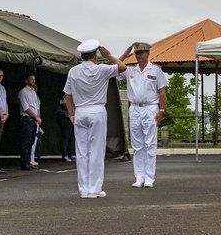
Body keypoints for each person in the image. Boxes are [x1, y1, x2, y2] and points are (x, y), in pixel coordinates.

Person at [64, 40, 126, 199]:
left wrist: (71, 114)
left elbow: (68, 95)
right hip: (97, 110)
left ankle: (84, 189)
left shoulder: (73, 71)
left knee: (82, 151)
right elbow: (122, 67)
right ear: (96, 56)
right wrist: (109, 55)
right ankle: (95, 188)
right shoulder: (102, 69)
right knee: (96, 151)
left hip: (80, 111)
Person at [120, 41, 167, 188]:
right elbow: (114, 68)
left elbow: (162, 92)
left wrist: (161, 111)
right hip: (134, 108)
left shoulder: (156, 70)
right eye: (137, 53)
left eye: (142, 53)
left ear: (148, 53)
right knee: (137, 145)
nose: (139, 56)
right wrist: (124, 55)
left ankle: (149, 177)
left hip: (150, 108)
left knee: (150, 144)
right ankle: (139, 177)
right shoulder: (130, 70)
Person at [18, 73, 42, 170]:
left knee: (31, 141)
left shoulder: (33, 92)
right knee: (26, 142)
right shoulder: (23, 92)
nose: (33, 81)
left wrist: (38, 117)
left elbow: (37, 105)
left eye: (34, 79)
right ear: (26, 81)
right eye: (31, 79)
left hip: (33, 120)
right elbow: (26, 108)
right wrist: (36, 117)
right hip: (27, 119)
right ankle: (24, 163)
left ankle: (28, 161)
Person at [55, 95, 75, 162]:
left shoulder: (73, 98)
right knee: (65, 138)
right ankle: (65, 155)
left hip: (71, 121)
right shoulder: (63, 98)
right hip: (64, 121)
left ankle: (70, 155)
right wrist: (66, 114)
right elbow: (58, 110)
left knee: (71, 138)